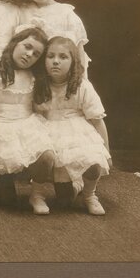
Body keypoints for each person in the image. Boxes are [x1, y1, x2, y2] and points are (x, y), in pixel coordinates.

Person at [0, 26, 56, 215]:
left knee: (47, 156)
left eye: (36, 54)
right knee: (7, 201)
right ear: (15, 43)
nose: (29, 54)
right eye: (27, 46)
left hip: (26, 126)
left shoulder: (35, 77)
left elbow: (39, 109)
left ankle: (37, 195)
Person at [34, 36, 111, 215]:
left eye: (63, 57)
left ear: (73, 61)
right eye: (50, 56)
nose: (56, 61)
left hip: (77, 132)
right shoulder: (40, 85)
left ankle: (89, 195)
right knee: (63, 199)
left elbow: (97, 120)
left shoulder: (82, 86)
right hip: (49, 130)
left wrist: (106, 151)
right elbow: (35, 114)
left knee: (94, 159)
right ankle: (37, 195)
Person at [22, 0, 91, 73]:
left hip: (60, 69)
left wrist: (82, 77)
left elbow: (79, 49)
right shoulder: (26, 12)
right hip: (35, 69)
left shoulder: (66, 12)